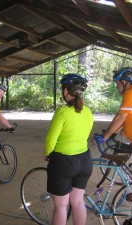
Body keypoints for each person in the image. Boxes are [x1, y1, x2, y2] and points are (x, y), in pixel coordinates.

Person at [44, 73, 94, 225]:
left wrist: (48, 153)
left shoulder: (62, 112)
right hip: (85, 161)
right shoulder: (87, 111)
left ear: (66, 91)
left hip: (63, 162)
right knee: (78, 202)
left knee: (60, 205)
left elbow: (50, 140)